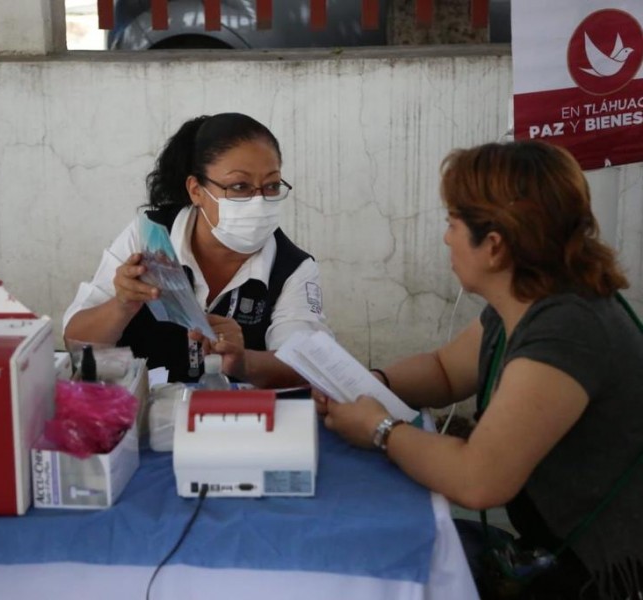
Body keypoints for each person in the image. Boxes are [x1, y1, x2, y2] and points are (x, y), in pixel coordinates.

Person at [316, 141, 643, 599]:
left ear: (494, 246)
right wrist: (372, 384)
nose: (447, 237)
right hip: (547, 548)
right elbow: (445, 371)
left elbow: (479, 479)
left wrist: (381, 429)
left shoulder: (568, 329)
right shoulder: (529, 297)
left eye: (452, 223)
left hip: (596, 572)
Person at [64, 112, 330, 387]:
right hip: (142, 414)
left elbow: (307, 364)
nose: (259, 201)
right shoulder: (150, 238)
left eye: (272, 186)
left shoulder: (292, 268)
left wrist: (244, 361)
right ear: (196, 190)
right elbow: (75, 342)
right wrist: (122, 305)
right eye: (240, 187)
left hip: (236, 421)